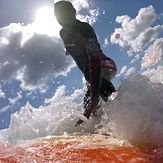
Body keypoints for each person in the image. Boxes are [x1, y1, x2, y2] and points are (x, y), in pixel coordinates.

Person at [54, 1, 117, 126]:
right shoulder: (63, 33)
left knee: (91, 77)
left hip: (105, 64)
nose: (61, 18)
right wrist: (70, 50)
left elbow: (95, 60)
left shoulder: (84, 29)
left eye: (64, 14)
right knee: (87, 106)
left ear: (73, 12)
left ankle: (123, 108)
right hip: (91, 73)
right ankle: (105, 129)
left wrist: (94, 99)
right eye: (58, 15)